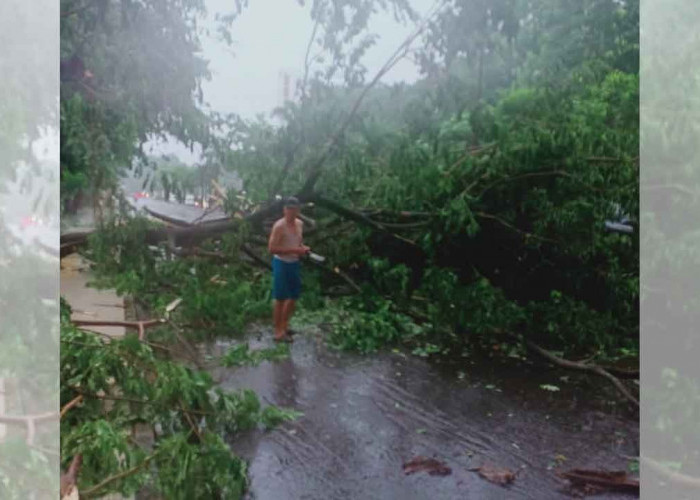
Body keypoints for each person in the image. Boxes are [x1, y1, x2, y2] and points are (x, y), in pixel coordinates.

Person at [267, 197, 310, 342]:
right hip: (281, 263)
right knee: (280, 298)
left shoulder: (299, 224)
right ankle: (278, 332)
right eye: (288, 209)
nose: (290, 212)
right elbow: (272, 248)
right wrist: (295, 250)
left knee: (293, 296)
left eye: (293, 209)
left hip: (294, 263)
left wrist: (302, 248)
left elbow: (298, 242)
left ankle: (284, 326)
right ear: (284, 210)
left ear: (298, 210)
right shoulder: (279, 226)